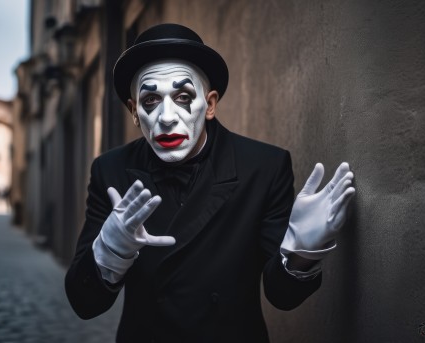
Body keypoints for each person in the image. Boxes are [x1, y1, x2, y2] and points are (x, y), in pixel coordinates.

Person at [65, 23, 355, 342]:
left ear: (210, 104)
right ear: (134, 111)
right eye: (150, 101)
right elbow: (84, 303)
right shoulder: (111, 170)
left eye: (183, 96)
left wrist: (302, 250)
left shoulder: (264, 167)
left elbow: (282, 297)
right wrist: (109, 252)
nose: (166, 116)